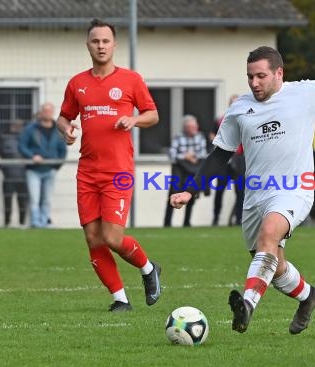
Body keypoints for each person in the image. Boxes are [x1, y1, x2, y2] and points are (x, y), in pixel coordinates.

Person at [170, 46, 315, 335]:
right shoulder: (239, 109)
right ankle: (309, 296)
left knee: (268, 236)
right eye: (250, 77)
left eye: (261, 76)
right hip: (255, 195)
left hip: (294, 189)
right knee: (272, 263)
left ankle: (247, 305)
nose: (254, 83)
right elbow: (219, 156)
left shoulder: (306, 93)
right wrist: (190, 191)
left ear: (279, 73)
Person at [56, 18, 161, 312]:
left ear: (114, 45)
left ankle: (149, 268)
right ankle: (120, 300)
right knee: (93, 238)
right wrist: (65, 129)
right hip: (87, 171)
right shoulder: (77, 83)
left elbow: (153, 114)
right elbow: (63, 117)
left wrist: (134, 119)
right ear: (87, 45)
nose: (100, 46)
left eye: (105, 41)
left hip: (119, 171)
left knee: (112, 237)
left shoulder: (131, 80)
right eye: (95, 41)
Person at [19, 103, 67, 228]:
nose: (47, 113)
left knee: (46, 199)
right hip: (33, 170)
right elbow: (22, 146)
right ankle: (35, 222)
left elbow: (63, 150)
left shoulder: (58, 130)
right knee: (34, 198)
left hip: (50, 170)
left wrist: (56, 166)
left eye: (49, 111)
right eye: (44, 111)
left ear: (53, 112)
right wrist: (32, 156)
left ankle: (45, 221)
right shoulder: (30, 129)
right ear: (40, 113)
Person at [164, 114, 207, 227]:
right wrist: (185, 156)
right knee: (173, 193)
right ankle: (167, 223)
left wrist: (192, 156)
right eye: (191, 127)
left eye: (195, 126)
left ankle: (187, 222)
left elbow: (203, 153)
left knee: (190, 193)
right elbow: (172, 154)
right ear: (185, 128)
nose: (194, 129)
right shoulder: (178, 137)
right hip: (180, 168)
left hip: (193, 168)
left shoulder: (200, 136)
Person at [209, 94, 244, 226]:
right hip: (225, 158)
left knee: (240, 189)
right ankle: (216, 217)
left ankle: (239, 218)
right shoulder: (221, 119)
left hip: (240, 158)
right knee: (220, 189)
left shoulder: (246, 118)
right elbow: (212, 134)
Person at [1, 119, 28, 227]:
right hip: (8, 175)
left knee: (22, 200)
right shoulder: (5, 138)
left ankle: (22, 223)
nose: (16, 127)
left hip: (23, 176)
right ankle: (7, 223)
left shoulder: (26, 139)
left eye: (19, 125)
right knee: (7, 200)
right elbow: (1, 153)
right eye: (15, 125)